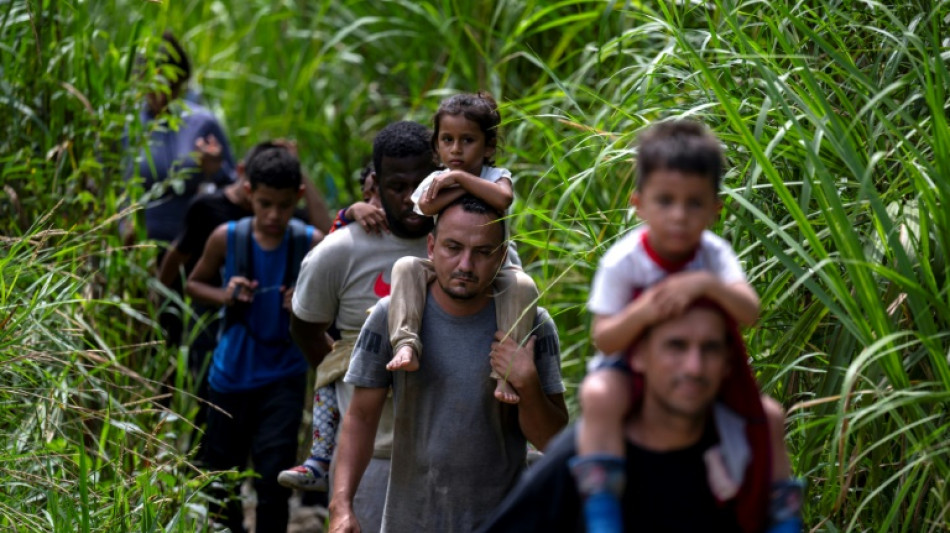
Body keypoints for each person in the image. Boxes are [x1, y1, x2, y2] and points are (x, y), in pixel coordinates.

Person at [328, 195, 569, 533]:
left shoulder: (529, 325)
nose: (465, 265)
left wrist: (527, 384)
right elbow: (360, 418)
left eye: (483, 252)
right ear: (431, 246)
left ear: (501, 257)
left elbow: (554, 442)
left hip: (504, 520)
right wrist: (341, 506)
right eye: (452, 248)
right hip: (410, 521)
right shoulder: (391, 316)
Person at [570, 119, 766, 532]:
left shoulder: (714, 255)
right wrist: (645, 312)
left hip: (697, 365)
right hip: (630, 367)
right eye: (665, 201)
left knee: (767, 417)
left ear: (717, 209)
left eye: (694, 203)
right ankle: (602, 508)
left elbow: (750, 311)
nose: (679, 215)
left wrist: (706, 284)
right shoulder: (623, 261)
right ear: (639, 203)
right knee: (599, 394)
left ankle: (740, 490)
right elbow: (605, 339)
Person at [476, 302, 804, 533]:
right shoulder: (586, 455)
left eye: (710, 349)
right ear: (640, 357)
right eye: (676, 346)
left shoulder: (743, 456)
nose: (694, 367)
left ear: (729, 364)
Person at [278, 121, 437, 531]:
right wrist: (349, 372)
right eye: (397, 186)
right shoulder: (339, 253)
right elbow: (305, 326)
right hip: (371, 457)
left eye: (420, 184)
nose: (410, 198)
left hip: (451, 452)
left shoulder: (467, 242)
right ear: (376, 185)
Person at [185, 145, 323, 531]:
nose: (274, 215)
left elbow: (335, 285)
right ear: (248, 193)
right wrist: (226, 294)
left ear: (296, 197)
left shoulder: (308, 242)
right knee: (222, 475)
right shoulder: (225, 237)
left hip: (284, 375)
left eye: (283, 205)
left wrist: (302, 302)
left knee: (274, 475)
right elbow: (194, 284)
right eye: (264, 204)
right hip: (230, 375)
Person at [385, 92, 538, 406]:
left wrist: (459, 179)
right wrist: (455, 179)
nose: (456, 149)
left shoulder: (496, 177)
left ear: (489, 146)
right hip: (448, 266)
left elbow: (502, 199)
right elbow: (426, 205)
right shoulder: (435, 180)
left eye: (467, 140)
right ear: (436, 145)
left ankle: (506, 373)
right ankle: (406, 343)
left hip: (497, 266)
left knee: (523, 286)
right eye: (447, 140)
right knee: (406, 267)